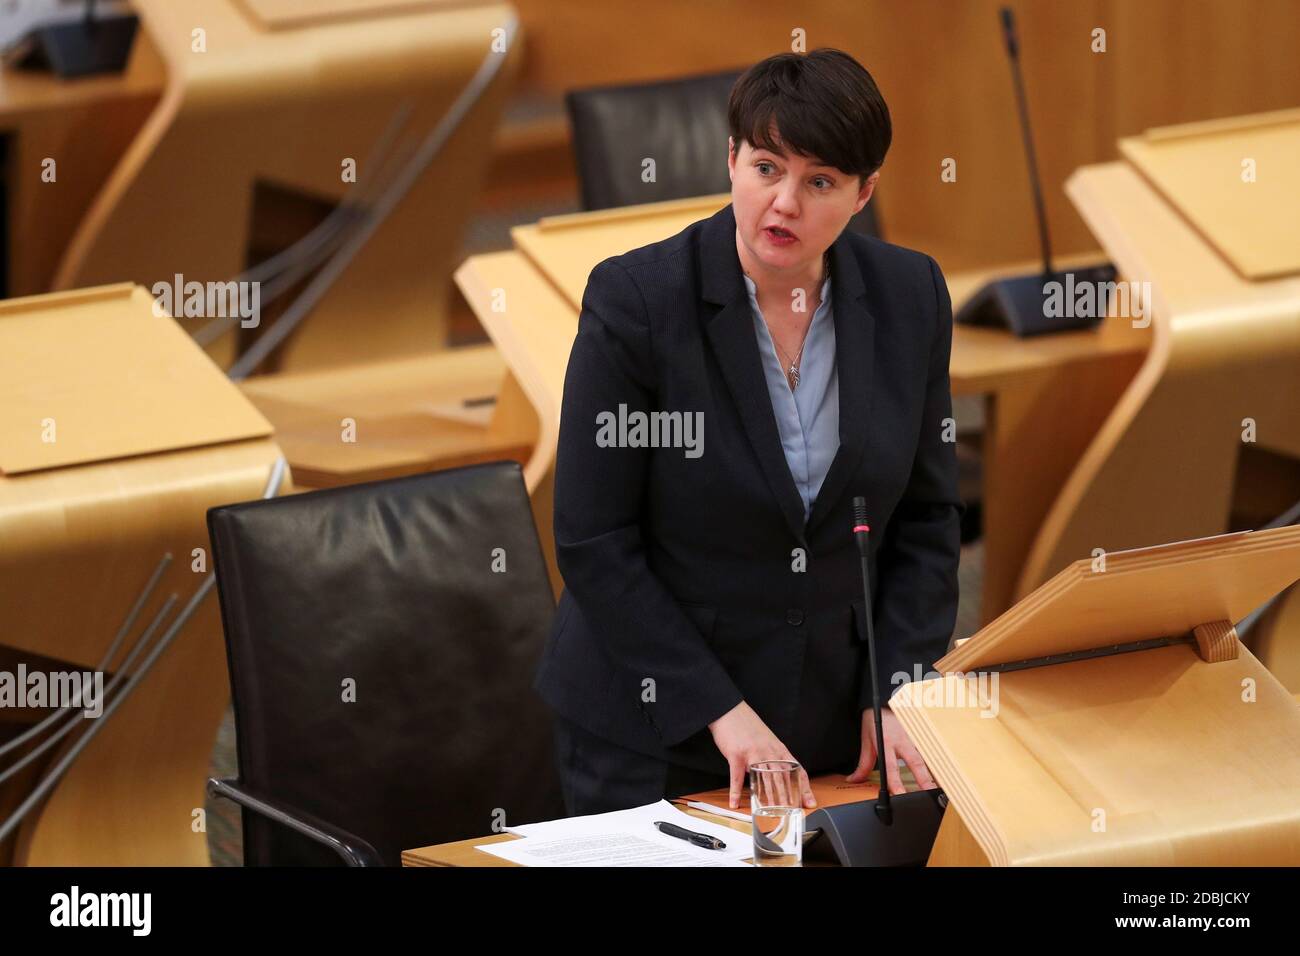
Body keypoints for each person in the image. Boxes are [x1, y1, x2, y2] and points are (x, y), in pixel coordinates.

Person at [534, 48, 963, 817]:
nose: (785, 204)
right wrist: (722, 711)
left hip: (832, 727)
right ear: (730, 159)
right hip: (656, 730)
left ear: (864, 194)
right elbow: (595, 542)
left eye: (820, 182)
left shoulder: (911, 298)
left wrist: (898, 685)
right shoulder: (637, 303)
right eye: (767, 168)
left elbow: (927, 520)